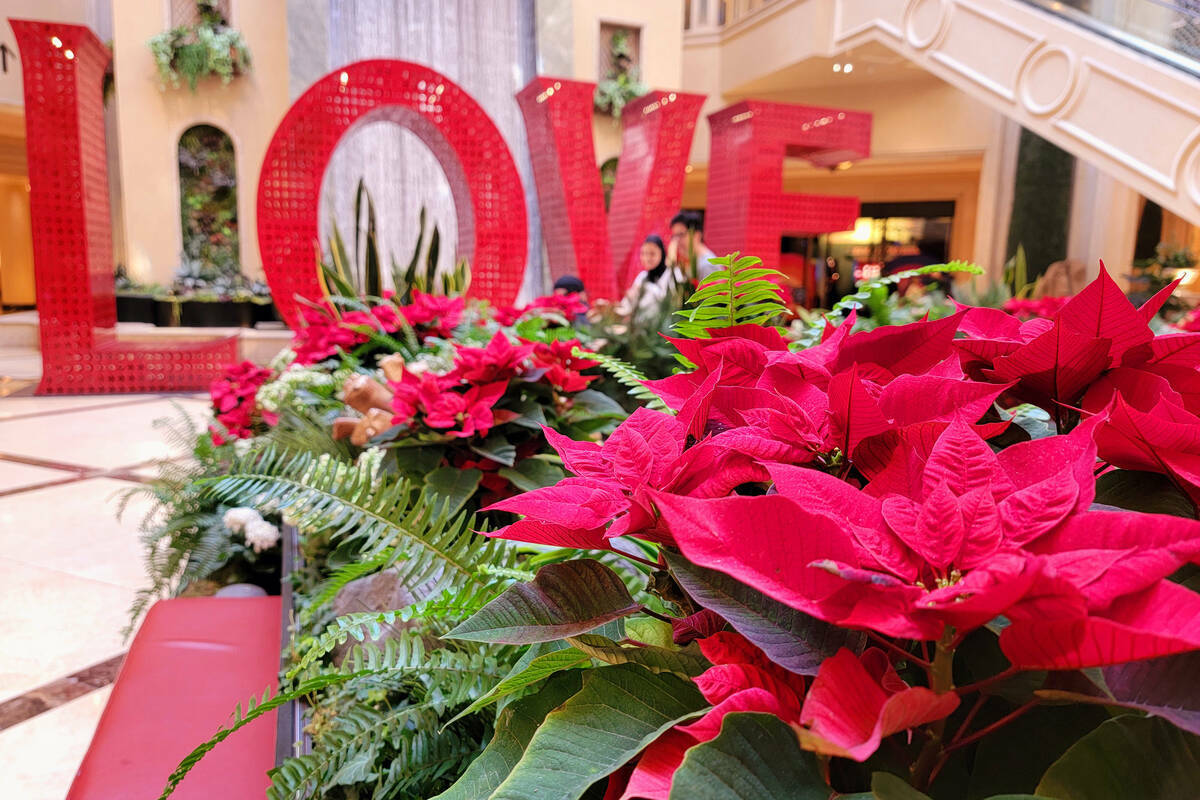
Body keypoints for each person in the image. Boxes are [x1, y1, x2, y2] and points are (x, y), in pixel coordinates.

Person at [615, 234, 687, 326]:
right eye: (643, 253)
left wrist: (648, 288)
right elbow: (628, 305)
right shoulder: (642, 277)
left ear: (662, 253)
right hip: (643, 333)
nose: (647, 258)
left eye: (652, 253)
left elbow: (673, 305)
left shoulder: (674, 275)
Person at [669, 211, 718, 281]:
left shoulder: (707, 266)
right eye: (674, 236)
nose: (676, 240)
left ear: (697, 235)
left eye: (681, 234)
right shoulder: (691, 263)